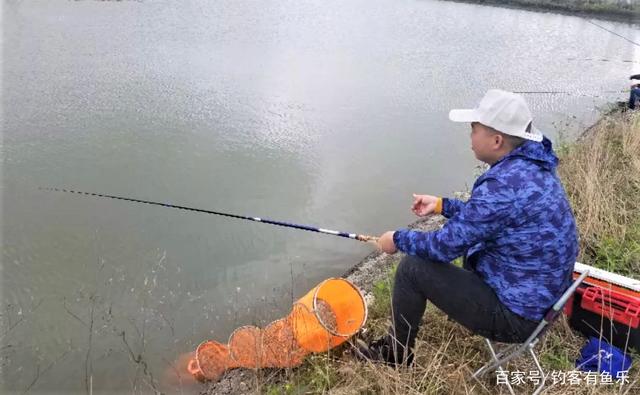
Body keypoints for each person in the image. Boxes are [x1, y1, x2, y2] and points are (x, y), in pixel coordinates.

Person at [357, 89, 579, 365]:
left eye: (474, 129)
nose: (470, 136)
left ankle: (396, 355)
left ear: (496, 140)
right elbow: (488, 219)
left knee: (412, 269)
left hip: (519, 316)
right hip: (541, 302)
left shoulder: (503, 186)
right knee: (433, 257)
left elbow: (442, 248)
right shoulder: (531, 167)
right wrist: (441, 205)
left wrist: (396, 239)